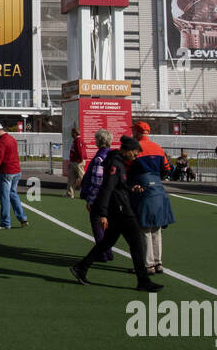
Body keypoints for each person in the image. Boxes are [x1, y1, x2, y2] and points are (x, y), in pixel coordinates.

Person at [69, 136, 162, 292]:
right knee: (136, 242)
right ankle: (143, 280)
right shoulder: (115, 164)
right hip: (120, 209)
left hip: (119, 207)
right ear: (127, 150)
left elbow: (119, 185)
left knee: (108, 242)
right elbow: (107, 188)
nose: (135, 155)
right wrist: (103, 214)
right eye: (134, 152)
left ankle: (81, 267)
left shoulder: (118, 162)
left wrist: (132, 188)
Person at [128, 121, 175, 275]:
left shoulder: (135, 149)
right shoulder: (158, 148)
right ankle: (158, 262)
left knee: (144, 229)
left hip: (142, 191)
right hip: (159, 190)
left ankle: (147, 264)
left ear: (136, 132)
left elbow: (127, 169)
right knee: (157, 229)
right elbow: (167, 169)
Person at [78, 129, 116, 264]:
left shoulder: (100, 157)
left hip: (99, 197)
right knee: (106, 227)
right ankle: (108, 251)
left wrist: (90, 199)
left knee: (97, 226)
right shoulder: (113, 156)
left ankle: (102, 253)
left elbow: (97, 181)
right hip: (111, 196)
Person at [0, 122, 28, 228]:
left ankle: (5, 223)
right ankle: (22, 218)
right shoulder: (11, 139)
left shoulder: (1, 142)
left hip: (6, 172)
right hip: (16, 171)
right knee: (13, 194)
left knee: (4, 197)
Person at [65, 125, 86, 199]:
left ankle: (87, 193)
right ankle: (70, 194)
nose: (71, 134)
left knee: (83, 178)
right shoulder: (75, 141)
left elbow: (80, 151)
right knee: (71, 178)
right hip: (74, 162)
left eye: (72, 132)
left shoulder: (79, 140)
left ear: (75, 133)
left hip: (78, 162)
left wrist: (80, 160)